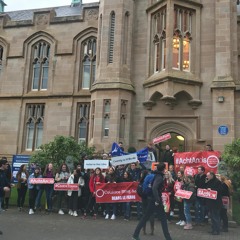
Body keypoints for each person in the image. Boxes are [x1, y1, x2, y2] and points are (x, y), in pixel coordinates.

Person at [132, 163, 172, 240]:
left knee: (145, 217)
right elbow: (154, 188)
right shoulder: (159, 177)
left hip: (151, 199)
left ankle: (135, 234)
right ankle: (168, 237)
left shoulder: (155, 175)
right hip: (155, 200)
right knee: (163, 218)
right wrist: (157, 199)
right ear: (163, 169)